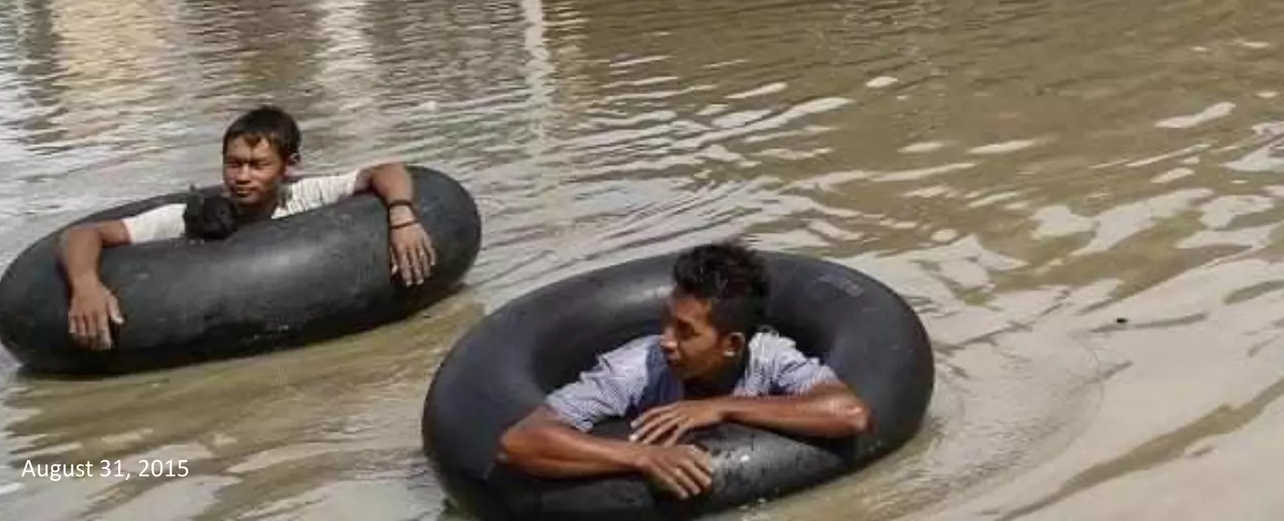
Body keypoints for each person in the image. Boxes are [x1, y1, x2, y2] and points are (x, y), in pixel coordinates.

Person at [496, 241, 872, 501]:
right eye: (667, 322)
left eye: (686, 331)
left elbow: (849, 414)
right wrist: (643, 457)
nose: (666, 340)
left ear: (732, 345)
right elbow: (520, 442)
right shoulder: (636, 369)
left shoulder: (769, 357)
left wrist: (723, 407)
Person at [57, 105, 438, 350]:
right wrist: (86, 285)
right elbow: (83, 234)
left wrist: (401, 215)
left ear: (289, 166)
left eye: (258, 165)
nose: (242, 176)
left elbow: (387, 170)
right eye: (234, 163)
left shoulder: (304, 196)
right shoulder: (193, 218)